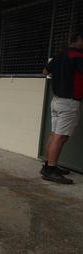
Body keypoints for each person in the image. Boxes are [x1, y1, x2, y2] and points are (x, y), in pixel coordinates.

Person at [41, 27, 83, 184]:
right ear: (78, 40)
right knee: (60, 137)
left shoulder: (59, 56)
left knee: (54, 135)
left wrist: (60, 76)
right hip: (69, 102)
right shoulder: (77, 56)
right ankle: (51, 171)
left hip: (57, 101)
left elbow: (45, 71)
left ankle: (48, 166)